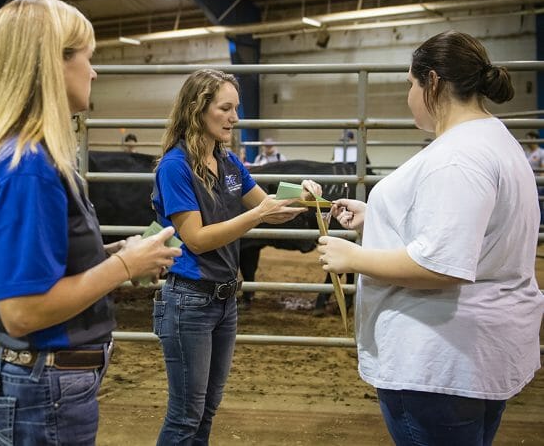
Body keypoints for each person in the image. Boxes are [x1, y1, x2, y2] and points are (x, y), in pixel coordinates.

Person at [0, 0, 181, 445]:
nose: (93, 72)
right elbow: (23, 312)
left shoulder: (30, 159)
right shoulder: (29, 168)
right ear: (52, 62)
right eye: (87, 57)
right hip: (46, 387)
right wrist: (125, 266)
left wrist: (118, 253)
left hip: (45, 384)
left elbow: (44, 267)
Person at [317, 30, 543, 446]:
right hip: (474, 355)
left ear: (433, 82)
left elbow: (442, 264)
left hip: (439, 362)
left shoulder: (457, 157)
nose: (409, 96)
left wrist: (352, 257)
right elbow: (471, 232)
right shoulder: (493, 139)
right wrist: (378, 218)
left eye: (410, 84)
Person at [152, 68, 321, 444]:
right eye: (225, 108)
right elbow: (196, 239)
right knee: (185, 416)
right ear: (198, 109)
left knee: (206, 409)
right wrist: (257, 215)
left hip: (224, 300)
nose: (235, 117)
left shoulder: (228, 163)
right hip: (190, 299)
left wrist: (303, 195)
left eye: (236, 108)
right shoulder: (175, 167)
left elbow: (269, 207)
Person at [524, 131, 543, 225]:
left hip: (537, 185)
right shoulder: (525, 153)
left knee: (538, 206)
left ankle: (540, 225)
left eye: (529, 139)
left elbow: (543, 170)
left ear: (534, 139)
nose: (527, 141)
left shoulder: (541, 153)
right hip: (526, 184)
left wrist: (539, 183)